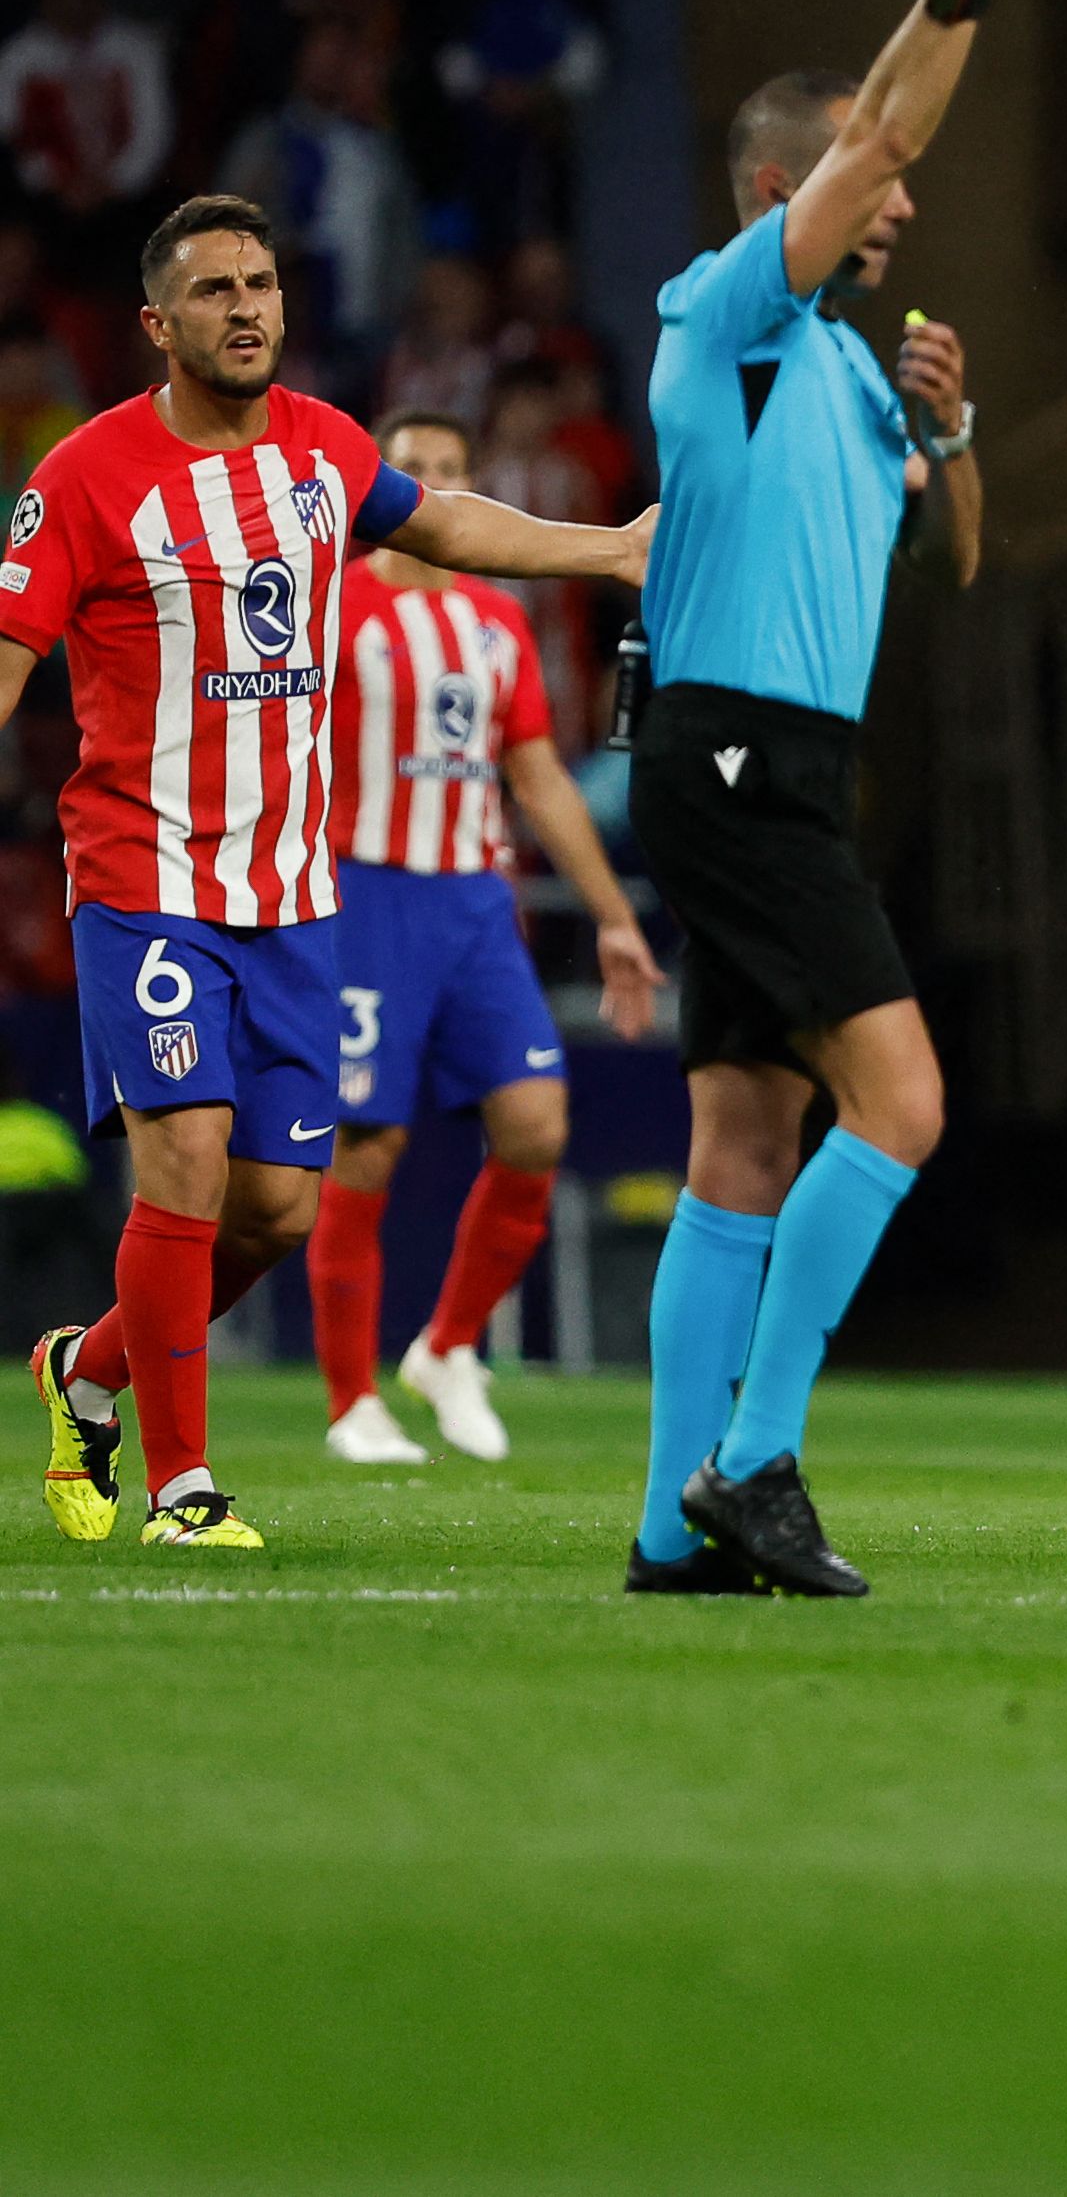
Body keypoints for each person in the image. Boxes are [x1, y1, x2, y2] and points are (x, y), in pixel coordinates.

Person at [12, 196, 647, 1551]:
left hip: (296, 898)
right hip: (147, 871)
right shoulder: (85, 474)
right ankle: (185, 1488)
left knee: (271, 1210)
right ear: (157, 323)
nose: (245, 307)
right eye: (214, 290)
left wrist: (610, 548)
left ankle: (87, 1374)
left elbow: (451, 526)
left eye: (261, 283)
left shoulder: (322, 447)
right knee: (179, 1156)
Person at [623, 0, 1045, 1600]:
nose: (906, 198)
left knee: (745, 1131)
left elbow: (951, 564)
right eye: (873, 185)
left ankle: (670, 1523)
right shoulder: (728, 317)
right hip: (732, 750)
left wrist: (951, 437)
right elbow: (886, 121)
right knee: (906, 1103)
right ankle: (760, 1457)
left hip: (777, 756)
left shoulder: (860, 385)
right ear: (797, 196)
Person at [305, 406, 664, 1464]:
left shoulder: (495, 624)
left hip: (475, 904)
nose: (425, 483)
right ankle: (347, 1401)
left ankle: (449, 1345)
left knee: (537, 1128)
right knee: (366, 1146)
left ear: (466, 488)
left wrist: (611, 916)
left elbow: (538, 777)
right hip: (366, 894)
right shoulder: (331, 607)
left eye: (445, 471)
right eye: (407, 468)